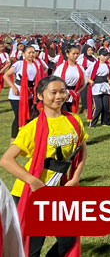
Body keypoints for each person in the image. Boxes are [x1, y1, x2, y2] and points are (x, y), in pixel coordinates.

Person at [0, 75, 88, 257]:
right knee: (32, 249)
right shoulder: (31, 128)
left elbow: (82, 149)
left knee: (68, 239)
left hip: (59, 191)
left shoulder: (73, 120)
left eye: (62, 91)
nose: (59, 96)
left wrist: (75, 178)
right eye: (53, 92)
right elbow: (6, 160)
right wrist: (33, 181)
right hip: (33, 193)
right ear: (40, 96)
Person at [3, 44, 45, 140]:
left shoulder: (36, 64)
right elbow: (6, 75)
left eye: (33, 52)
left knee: (30, 114)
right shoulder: (19, 64)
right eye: (29, 53)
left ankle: (26, 135)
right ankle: (13, 137)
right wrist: (13, 87)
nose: (31, 54)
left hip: (30, 94)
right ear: (24, 54)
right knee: (19, 115)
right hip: (17, 94)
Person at [85, 48, 110, 127]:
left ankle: (105, 122)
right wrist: (90, 81)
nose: (105, 57)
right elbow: (85, 74)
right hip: (96, 87)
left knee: (106, 106)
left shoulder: (108, 66)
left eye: (107, 56)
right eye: (104, 55)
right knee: (98, 107)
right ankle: (92, 123)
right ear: (99, 56)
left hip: (105, 86)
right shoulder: (94, 65)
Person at [53, 44, 85, 113]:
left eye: (77, 54)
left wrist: (76, 92)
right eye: (73, 54)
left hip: (74, 93)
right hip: (62, 92)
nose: (76, 56)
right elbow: (55, 81)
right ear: (67, 54)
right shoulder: (61, 67)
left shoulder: (80, 68)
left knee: (72, 113)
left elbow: (83, 83)